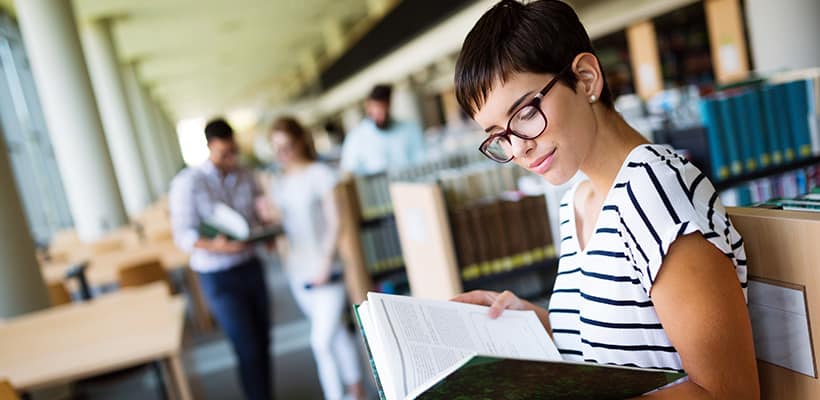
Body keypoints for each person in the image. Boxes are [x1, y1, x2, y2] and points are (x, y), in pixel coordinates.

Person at [451, 1, 760, 399]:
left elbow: (730, 393)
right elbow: (623, 350)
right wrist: (536, 325)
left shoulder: (654, 192)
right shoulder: (576, 201)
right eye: (499, 136)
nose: (520, 150)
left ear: (585, 78)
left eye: (525, 113)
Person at [169, 118, 271, 400]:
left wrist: (265, 227)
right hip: (218, 275)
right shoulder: (189, 183)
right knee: (246, 345)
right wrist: (217, 246)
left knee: (262, 341)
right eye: (224, 153)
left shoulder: (246, 175)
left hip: (250, 265)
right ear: (209, 147)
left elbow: (255, 215)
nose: (231, 158)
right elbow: (183, 236)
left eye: (233, 151)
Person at [267, 117, 364, 400]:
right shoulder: (279, 183)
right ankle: (357, 393)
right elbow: (284, 227)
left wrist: (325, 261)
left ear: (300, 142)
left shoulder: (321, 174)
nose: (282, 154)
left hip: (327, 270)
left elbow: (337, 222)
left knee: (320, 343)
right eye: (277, 149)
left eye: (286, 146)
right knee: (335, 336)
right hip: (297, 272)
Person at [340, 83, 425, 175]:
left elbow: (422, 162)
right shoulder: (355, 138)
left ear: (389, 105)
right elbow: (349, 171)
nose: (381, 116)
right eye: (377, 110)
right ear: (368, 107)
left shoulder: (409, 129)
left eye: (383, 109)